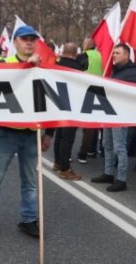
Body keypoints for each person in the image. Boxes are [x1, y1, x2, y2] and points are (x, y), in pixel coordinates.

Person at [0, 25, 53, 243]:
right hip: (7, 133)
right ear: (15, 42)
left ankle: (28, 220)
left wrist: (49, 133)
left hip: (31, 134)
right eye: (24, 39)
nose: (29, 42)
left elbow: (53, 102)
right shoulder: (3, 65)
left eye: (32, 39)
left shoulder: (43, 68)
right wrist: (26, 66)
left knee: (30, 182)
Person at [92, 43, 136, 192]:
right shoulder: (114, 70)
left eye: (117, 53)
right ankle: (108, 173)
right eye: (113, 53)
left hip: (121, 114)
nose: (113, 55)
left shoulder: (133, 72)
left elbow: (129, 91)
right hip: (109, 111)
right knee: (107, 144)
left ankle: (121, 179)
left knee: (119, 146)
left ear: (126, 55)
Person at [53, 42, 84, 181]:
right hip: (72, 107)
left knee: (59, 135)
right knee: (68, 138)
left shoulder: (56, 65)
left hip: (57, 104)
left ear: (63, 52)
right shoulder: (78, 68)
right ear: (75, 54)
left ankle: (58, 162)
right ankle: (65, 168)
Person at [76, 38, 103, 165]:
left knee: (76, 125)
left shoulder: (83, 56)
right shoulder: (101, 56)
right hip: (98, 91)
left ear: (86, 45)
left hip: (82, 91)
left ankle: (76, 155)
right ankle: (89, 151)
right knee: (92, 126)